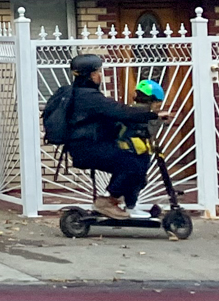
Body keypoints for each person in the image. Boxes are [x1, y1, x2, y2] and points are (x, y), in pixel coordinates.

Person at [63, 53, 158, 220]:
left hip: (88, 146)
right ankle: (107, 202)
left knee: (138, 163)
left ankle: (129, 206)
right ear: (92, 75)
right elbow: (119, 111)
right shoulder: (88, 97)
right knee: (133, 164)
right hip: (88, 149)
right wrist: (151, 115)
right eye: (99, 71)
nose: (101, 75)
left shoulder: (80, 93)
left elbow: (111, 114)